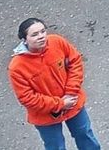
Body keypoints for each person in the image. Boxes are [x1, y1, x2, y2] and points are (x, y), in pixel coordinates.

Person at [8, 18, 102, 150]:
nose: (41, 36)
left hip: (73, 101)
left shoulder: (57, 41)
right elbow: (27, 98)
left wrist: (71, 91)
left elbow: (75, 62)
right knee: (55, 146)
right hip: (45, 115)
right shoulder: (17, 67)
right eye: (34, 35)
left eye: (42, 31)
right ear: (24, 40)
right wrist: (61, 104)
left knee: (84, 134)